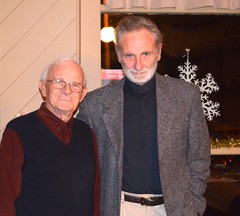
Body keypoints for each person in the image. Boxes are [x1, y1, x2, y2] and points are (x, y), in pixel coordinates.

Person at [77, 15, 210, 216]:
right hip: (118, 209)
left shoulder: (186, 96)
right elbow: (80, 163)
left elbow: (199, 158)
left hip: (173, 210)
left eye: (145, 54)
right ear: (119, 55)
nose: (138, 65)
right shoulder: (94, 103)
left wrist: (191, 206)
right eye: (130, 55)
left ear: (159, 52)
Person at [0, 58, 100, 216]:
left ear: (82, 94)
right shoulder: (18, 131)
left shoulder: (87, 133)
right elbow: (3, 199)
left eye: (75, 85)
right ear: (43, 88)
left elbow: (95, 195)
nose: (67, 90)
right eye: (58, 82)